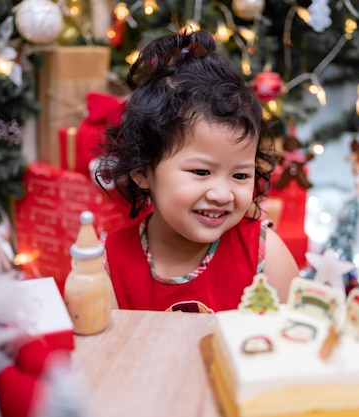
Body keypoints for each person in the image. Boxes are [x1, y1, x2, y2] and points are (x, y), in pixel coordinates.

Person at [95, 29, 300, 312]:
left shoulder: (265, 254)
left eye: (240, 175)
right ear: (142, 170)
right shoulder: (105, 263)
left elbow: (297, 345)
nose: (221, 194)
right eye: (201, 172)